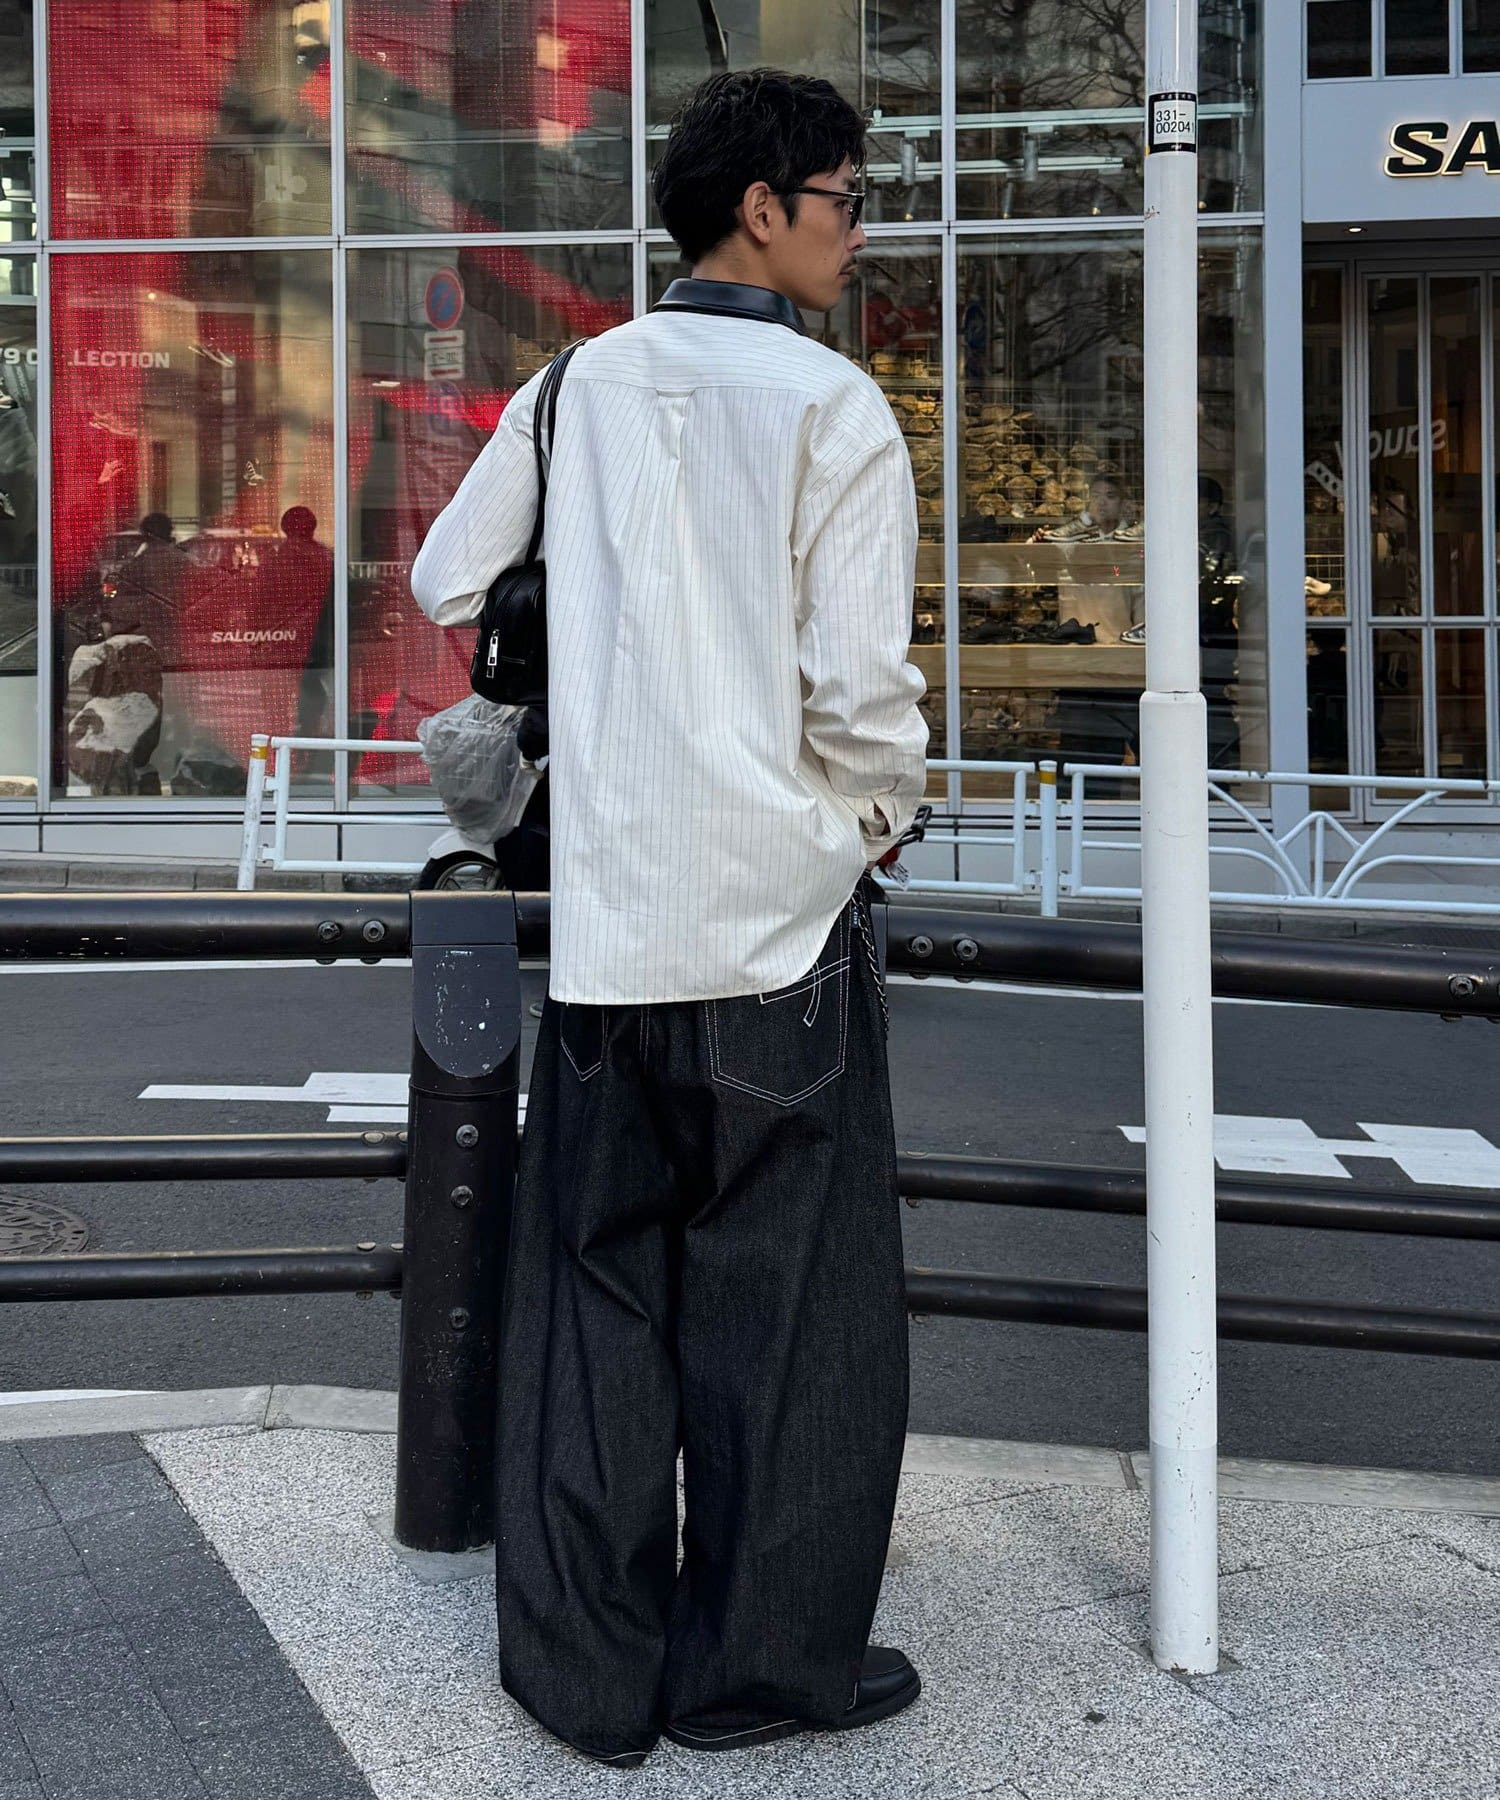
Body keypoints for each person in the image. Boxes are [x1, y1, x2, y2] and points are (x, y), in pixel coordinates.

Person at [411, 67, 928, 1769]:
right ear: (763, 208)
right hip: (778, 927)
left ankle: (585, 1676)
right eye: (846, 198)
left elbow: (448, 580)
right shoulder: (835, 407)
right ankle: (753, 1672)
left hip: (613, 923)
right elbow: (860, 695)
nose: (859, 229)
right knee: (791, 1325)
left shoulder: (575, 387)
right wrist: (868, 824)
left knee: (593, 1302)